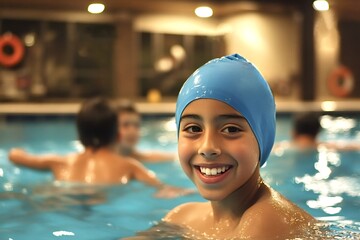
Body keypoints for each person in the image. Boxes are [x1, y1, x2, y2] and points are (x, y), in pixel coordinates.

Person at [162, 54, 316, 239]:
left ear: (262, 137)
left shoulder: (265, 221)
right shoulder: (181, 217)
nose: (208, 147)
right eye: (194, 128)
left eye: (231, 129)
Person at [8, 98, 192, 198]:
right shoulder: (130, 166)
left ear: (79, 134)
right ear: (117, 134)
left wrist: (18, 152)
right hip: (106, 201)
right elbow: (164, 189)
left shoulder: (58, 162)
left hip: (62, 198)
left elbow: (14, 156)